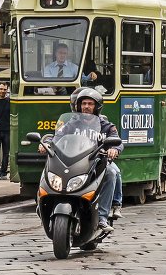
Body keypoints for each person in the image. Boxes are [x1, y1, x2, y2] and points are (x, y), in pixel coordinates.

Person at [40, 88, 124, 229]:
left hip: (98, 161)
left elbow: (117, 140)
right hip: (76, 161)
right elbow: (57, 137)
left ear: (97, 107)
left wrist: (114, 149)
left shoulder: (106, 125)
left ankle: (103, 217)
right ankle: (43, 205)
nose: (86, 106)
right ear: (78, 106)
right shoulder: (71, 124)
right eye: (84, 103)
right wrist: (47, 144)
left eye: (90, 104)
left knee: (112, 172)